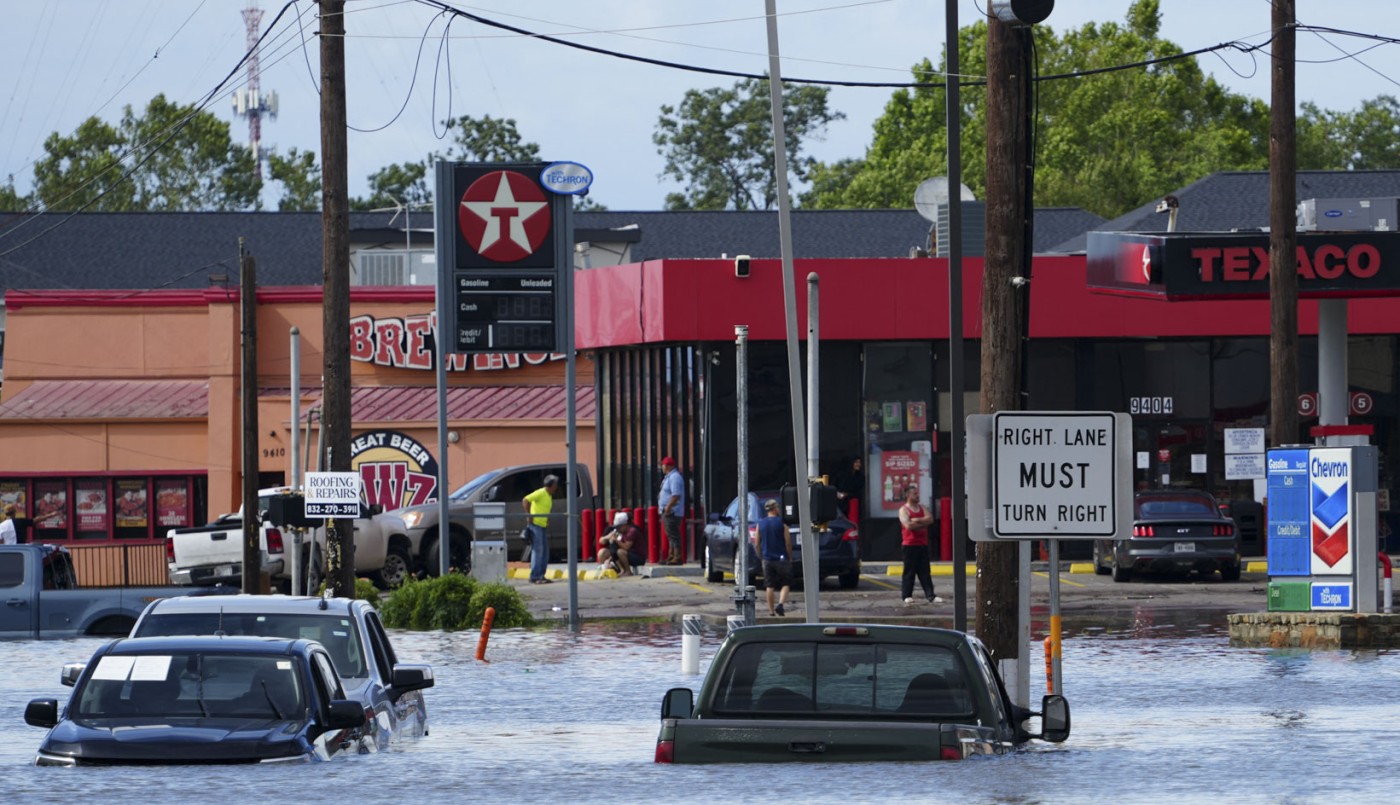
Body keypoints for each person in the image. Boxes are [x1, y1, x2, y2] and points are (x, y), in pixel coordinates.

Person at [898, 485, 941, 605]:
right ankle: (907, 595)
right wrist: (923, 523)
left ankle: (930, 595)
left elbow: (930, 519)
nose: (917, 495)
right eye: (914, 494)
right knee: (909, 571)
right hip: (909, 545)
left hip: (922, 544)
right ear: (908, 495)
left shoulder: (922, 507)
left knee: (925, 571)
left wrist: (916, 520)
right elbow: (908, 525)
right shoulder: (904, 510)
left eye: (917, 493)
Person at [758, 499, 793, 617]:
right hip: (781, 558)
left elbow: (757, 543)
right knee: (786, 583)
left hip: (767, 559)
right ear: (774, 509)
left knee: (769, 586)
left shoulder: (760, 524)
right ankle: (780, 605)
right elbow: (788, 542)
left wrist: (761, 556)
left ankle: (771, 611)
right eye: (777, 507)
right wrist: (789, 556)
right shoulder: (782, 523)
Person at [523, 475, 559, 584]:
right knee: (538, 550)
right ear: (550, 485)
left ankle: (541, 575)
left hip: (542, 525)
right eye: (555, 485)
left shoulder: (549, 495)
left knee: (545, 551)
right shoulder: (541, 492)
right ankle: (534, 576)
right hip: (535, 525)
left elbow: (544, 508)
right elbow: (526, 500)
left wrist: (547, 519)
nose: (556, 487)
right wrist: (529, 515)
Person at [597, 511, 645, 576]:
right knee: (603, 553)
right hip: (626, 553)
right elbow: (601, 541)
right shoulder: (620, 531)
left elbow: (626, 547)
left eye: (619, 527)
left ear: (625, 525)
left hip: (637, 556)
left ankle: (628, 571)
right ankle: (613, 569)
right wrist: (609, 537)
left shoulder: (632, 531)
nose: (617, 529)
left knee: (620, 552)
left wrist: (616, 540)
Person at [657, 456, 685, 565]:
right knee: (670, 535)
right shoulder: (668, 477)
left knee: (673, 535)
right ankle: (671, 556)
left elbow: (676, 495)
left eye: (663, 465)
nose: (662, 467)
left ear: (668, 466)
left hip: (672, 512)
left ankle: (677, 557)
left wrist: (668, 507)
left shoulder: (675, 477)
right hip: (668, 511)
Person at [835, 457, 865, 521]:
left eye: (859, 462)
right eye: (856, 462)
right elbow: (835, 486)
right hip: (840, 504)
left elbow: (859, 492)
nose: (858, 464)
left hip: (853, 504)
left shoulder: (860, 477)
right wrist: (838, 494)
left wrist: (847, 494)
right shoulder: (842, 475)